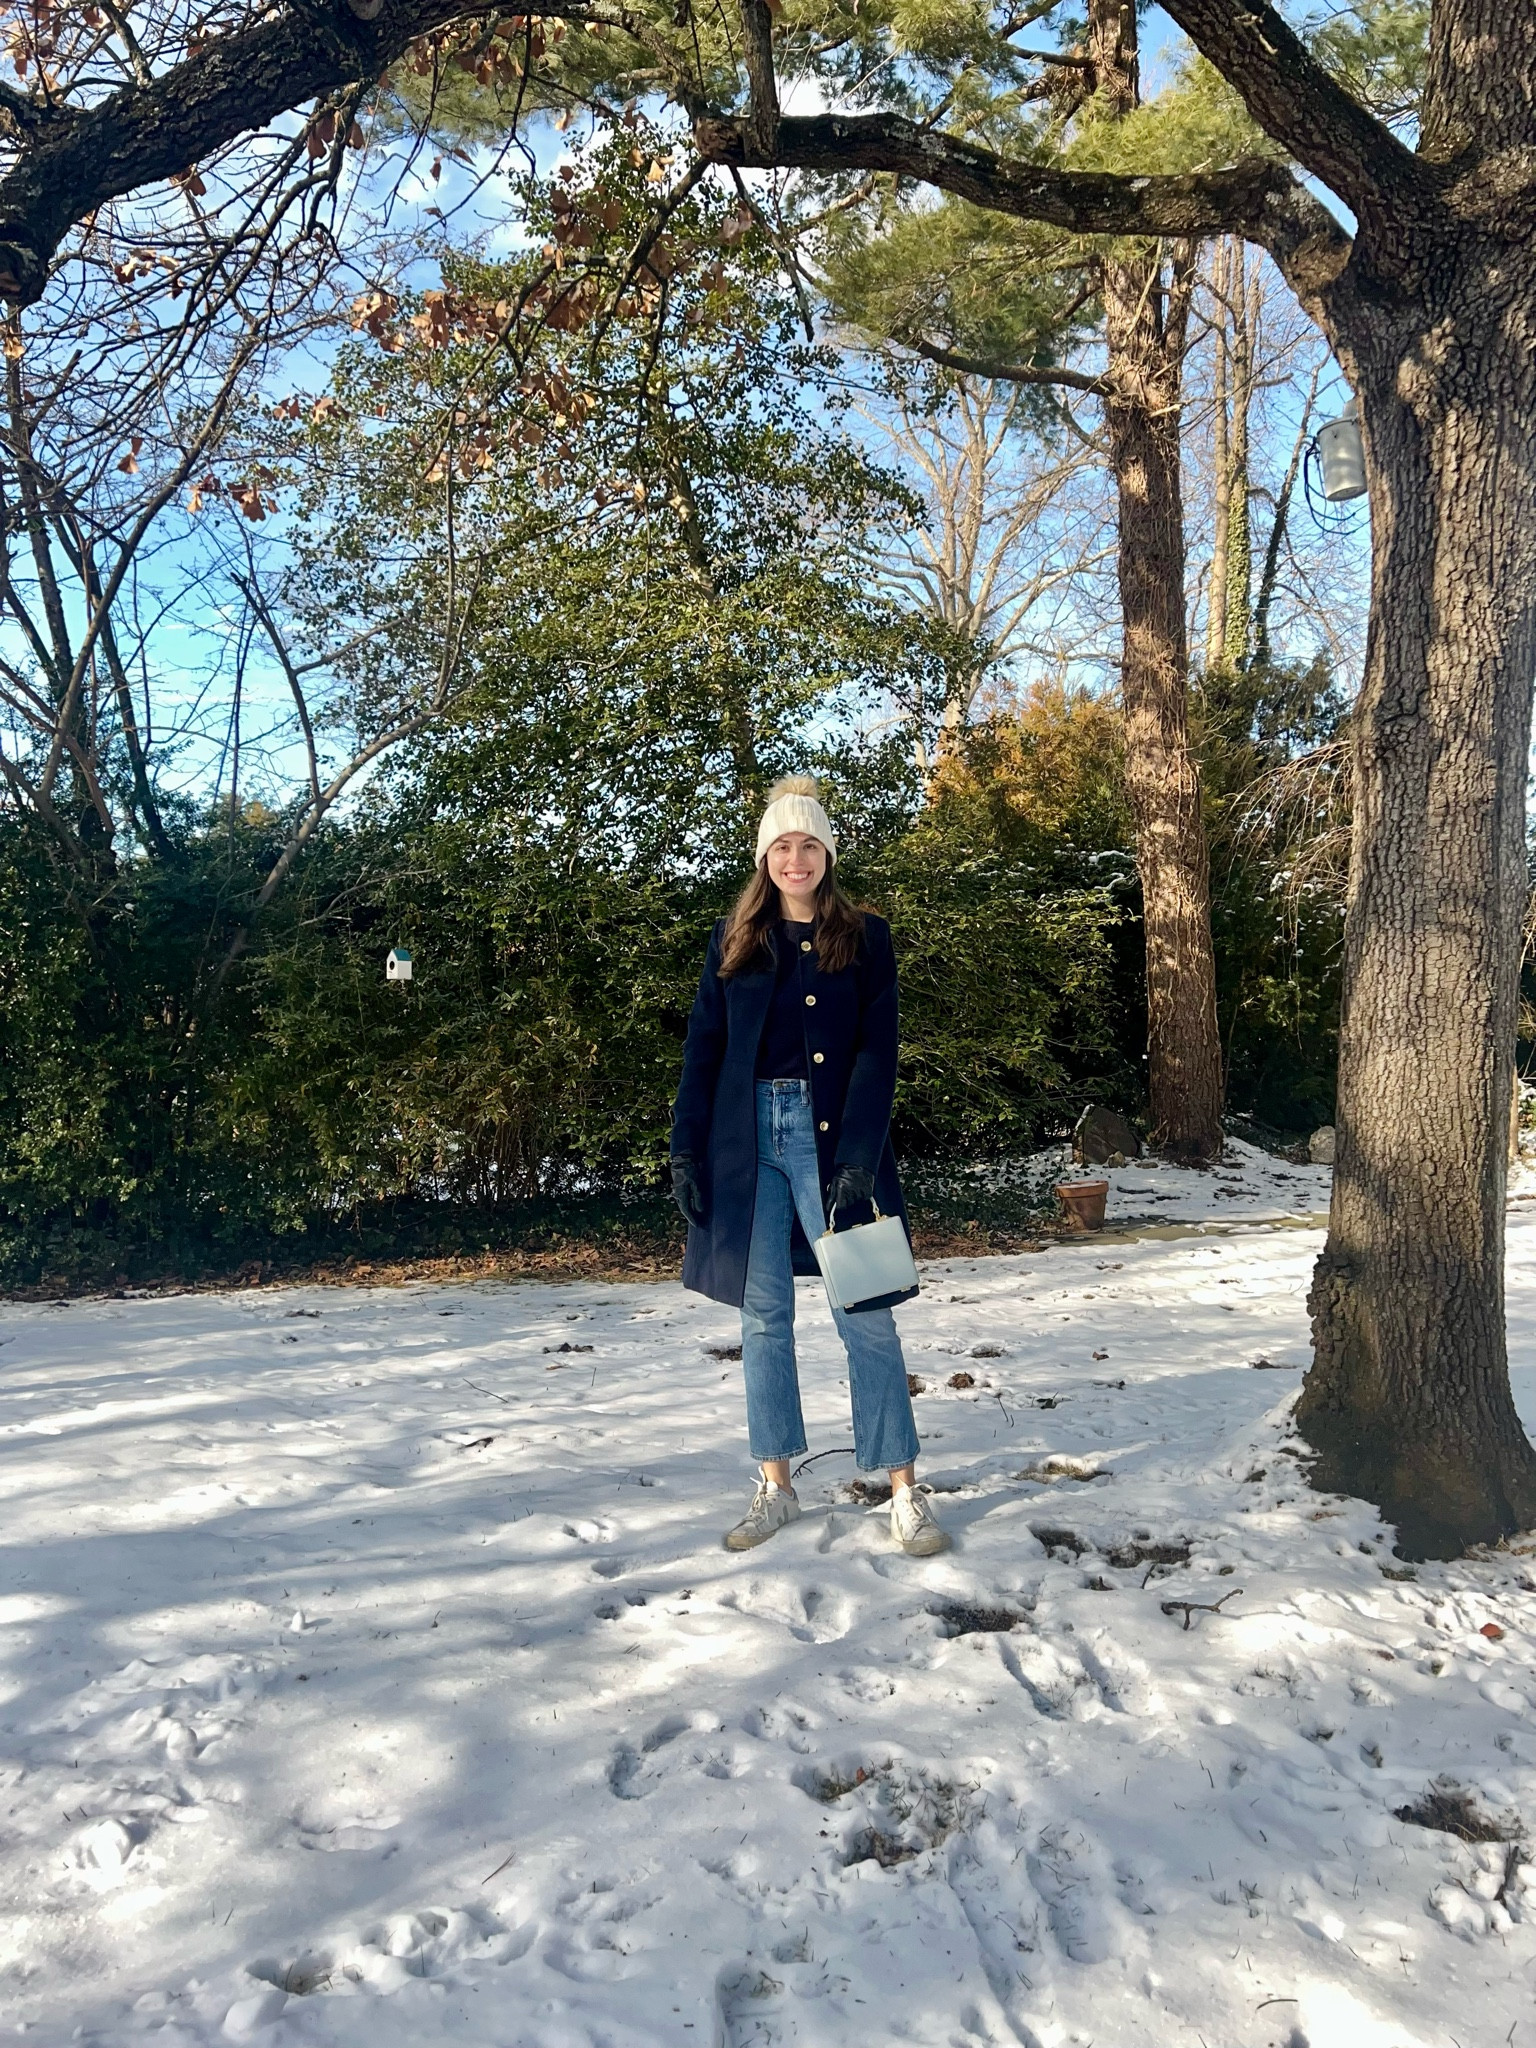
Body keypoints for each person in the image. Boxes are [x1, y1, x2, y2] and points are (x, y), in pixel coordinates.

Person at [669, 775, 948, 1558]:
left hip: (834, 1145)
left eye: (809, 845)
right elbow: (704, 1049)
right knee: (763, 1318)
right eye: (782, 846)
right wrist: (686, 1146)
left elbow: (877, 1055)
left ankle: (904, 1490)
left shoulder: (865, 937)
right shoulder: (734, 937)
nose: (796, 859)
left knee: (866, 1311)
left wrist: (857, 1157)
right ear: (765, 858)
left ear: (827, 854)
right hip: (745, 1144)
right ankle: (776, 1486)